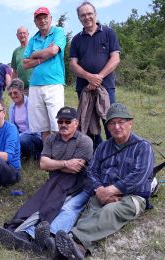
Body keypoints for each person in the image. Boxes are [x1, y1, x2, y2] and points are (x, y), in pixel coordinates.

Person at [55, 103, 154, 260]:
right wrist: (100, 189)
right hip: (102, 193)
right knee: (90, 212)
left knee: (109, 212)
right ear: (107, 126)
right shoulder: (103, 147)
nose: (117, 127)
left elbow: (139, 176)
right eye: (112, 123)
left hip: (132, 197)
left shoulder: (143, 147)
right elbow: (91, 171)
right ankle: (78, 250)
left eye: (121, 122)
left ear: (130, 123)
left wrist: (110, 191)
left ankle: (73, 240)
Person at [0, 107, 93, 257]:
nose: (63, 124)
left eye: (68, 121)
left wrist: (55, 164)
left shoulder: (85, 141)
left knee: (56, 206)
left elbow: (76, 168)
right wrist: (66, 163)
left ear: (76, 123)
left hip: (77, 183)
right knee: (37, 203)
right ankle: (21, 232)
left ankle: (31, 235)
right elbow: (43, 164)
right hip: (54, 181)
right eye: (60, 121)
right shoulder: (51, 139)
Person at [70, 1, 121, 149]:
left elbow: (115, 58)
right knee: (89, 124)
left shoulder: (109, 33)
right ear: (79, 18)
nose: (87, 17)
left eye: (89, 14)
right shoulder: (76, 39)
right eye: (83, 15)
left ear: (95, 14)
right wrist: (88, 77)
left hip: (106, 87)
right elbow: (73, 64)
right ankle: (96, 156)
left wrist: (98, 78)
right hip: (84, 88)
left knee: (111, 121)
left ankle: (115, 154)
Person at [23, 7, 66, 142]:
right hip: (35, 85)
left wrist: (34, 54)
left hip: (54, 84)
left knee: (57, 124)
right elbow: (25, 64)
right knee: (43, 126)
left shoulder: (58, 32)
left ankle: (59, 156)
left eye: (45, 17)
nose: (42, 20)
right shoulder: (33, 39)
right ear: (35, 22)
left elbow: (54, 51)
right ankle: (47, 154)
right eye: (39, 18)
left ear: (50, 18)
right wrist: (43, 56)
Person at [7, 78, 43, 160]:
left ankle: (36, 154)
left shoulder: (32, 104)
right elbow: (12, 126)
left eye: (15, 92)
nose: (13, 95)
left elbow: (35, 129)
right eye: (10, 94)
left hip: (35, 136)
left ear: (22, 91)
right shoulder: (12, 107)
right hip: (21, 136)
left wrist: (17, 136)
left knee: (21, 140)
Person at [11, 26, 32, 93]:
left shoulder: (34, 47)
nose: (22, 35)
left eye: (24, 33)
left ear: (28, 34)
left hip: (35, 86)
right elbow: (14, 72)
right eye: (20, 33)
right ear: (17, 36)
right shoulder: (16, 51)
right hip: (21, 89)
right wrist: (13, 86)